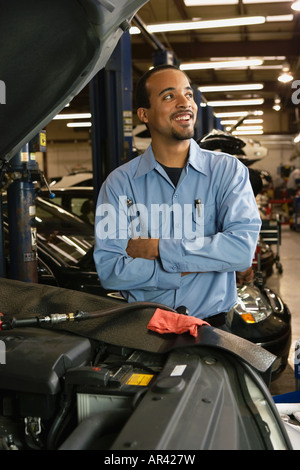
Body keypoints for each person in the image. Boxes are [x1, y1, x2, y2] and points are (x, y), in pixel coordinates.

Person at [93, 64, 261, 325]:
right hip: (143, 327)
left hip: (213, 325)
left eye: (189, 95)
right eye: (169, 96)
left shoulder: (228, 172)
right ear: (144, 114)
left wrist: (157, 248)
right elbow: (110, 272)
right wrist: (195, 265)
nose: (185, 103)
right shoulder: (119, 184)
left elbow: (240, 252)